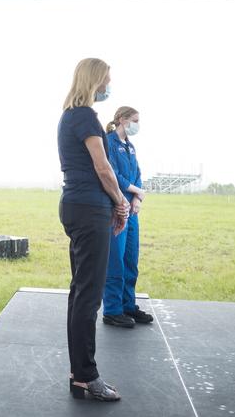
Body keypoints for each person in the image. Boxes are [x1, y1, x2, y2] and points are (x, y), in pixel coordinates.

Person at [58, 58, 130, 402]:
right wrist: (120, 201)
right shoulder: (85, 116)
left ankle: (79, 374)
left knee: (81, 292)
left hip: (77, 206)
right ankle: (86, 376)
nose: (109, 86)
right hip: (89, 208)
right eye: (106, 81)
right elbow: (102, 167)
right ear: (95, 81)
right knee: (88, 295)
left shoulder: (69, 115)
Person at [102, 106, 153, 328]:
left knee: (131, 259)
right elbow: (112, 174)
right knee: (116, 260)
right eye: (134, 120)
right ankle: (112, 310)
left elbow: (138, 174)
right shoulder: (109, 143)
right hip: (116, 208)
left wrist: (138, 198)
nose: (137, 125)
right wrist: (135, 191)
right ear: (122, 120)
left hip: (131, 210)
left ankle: (128, 305)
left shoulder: (130, 147)